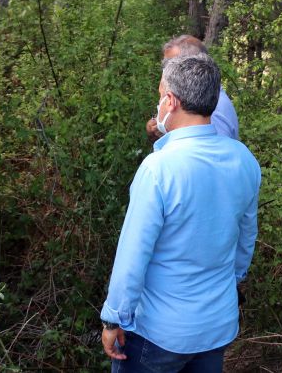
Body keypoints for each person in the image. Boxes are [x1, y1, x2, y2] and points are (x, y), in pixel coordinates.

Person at [101, 54, 261, 372]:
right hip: (217, 326)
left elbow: (133, 253)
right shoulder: (243, 159)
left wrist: (114, 317)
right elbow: (246, 240)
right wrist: (230, 284)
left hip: (158, 333)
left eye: (160, 96)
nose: (158, 105)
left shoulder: (160, 168)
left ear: (171, 101)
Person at [146, 35, 238, 141]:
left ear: (193, 65)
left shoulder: (212, 107)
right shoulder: (197, 95)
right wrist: (159, 129)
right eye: (165, 66)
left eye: (170, 64)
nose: (166, 71)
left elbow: (211, 153)